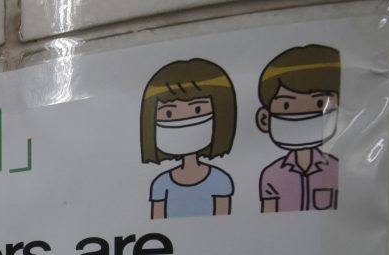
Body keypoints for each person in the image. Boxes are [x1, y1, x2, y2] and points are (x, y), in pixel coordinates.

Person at [140, 59, 236, 219]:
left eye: (198, 109)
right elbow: (157, 221)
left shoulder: (220, 180)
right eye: (169, 113)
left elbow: (224, 222)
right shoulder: (161, 184)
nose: (183, 121)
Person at [255, 44, 341, 212]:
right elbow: (267, 219)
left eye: (319, 103)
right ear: (264, 119)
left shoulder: (336, 169)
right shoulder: (271, 175)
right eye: (286, 105)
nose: (303, 115)